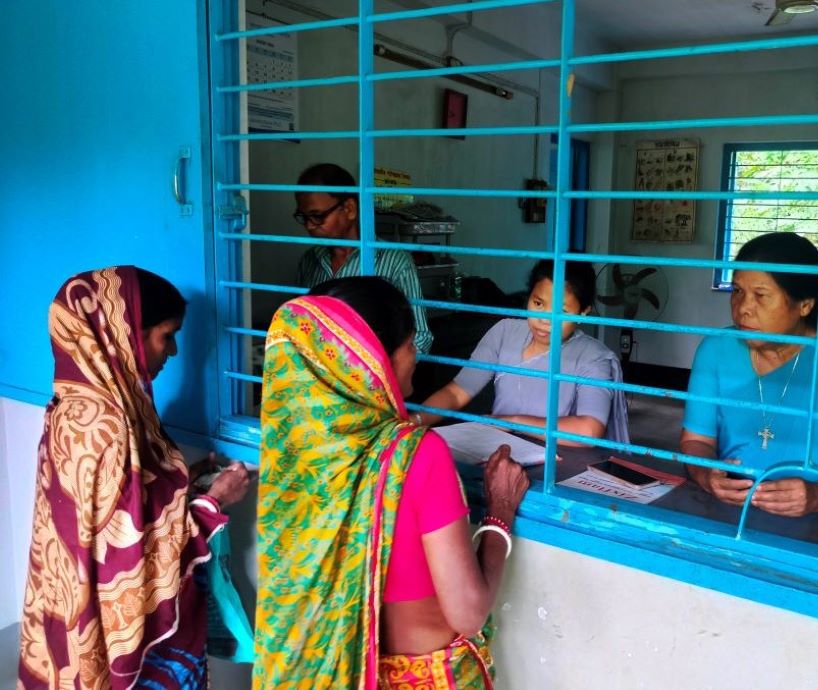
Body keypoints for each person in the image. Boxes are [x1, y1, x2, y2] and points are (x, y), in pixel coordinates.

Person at [254, 276, 529, 689]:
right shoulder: (415, 454)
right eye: (409, 344)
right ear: (371, 360)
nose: (415, 356)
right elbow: (468, 613)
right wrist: (500, 516)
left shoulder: (294, 458)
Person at [18, 266, 251, 689]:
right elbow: (127, 555)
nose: (176, 352)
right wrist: (213, 501)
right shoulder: (107, 427)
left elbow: (117, 503)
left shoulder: (74, 408)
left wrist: (187, 477)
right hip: (126, 635)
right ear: (123, 337)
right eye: (167, 335)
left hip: (76, 614)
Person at [681, 232, 818, 517]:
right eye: (737, 291)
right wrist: (707, 476)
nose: (743, 308)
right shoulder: (715, 351)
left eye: (761, 295)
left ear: (805, 304)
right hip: (728, 512)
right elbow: (697, 441)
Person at [420, 259, 630, 445]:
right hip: (497, 447)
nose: (545, 320)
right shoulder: (504, 332)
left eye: (561, 312)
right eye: (538, 303)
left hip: (557, 459)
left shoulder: (592, 356)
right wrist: (413, 421)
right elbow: (457, 392)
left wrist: (513, 422)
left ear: (583, 312)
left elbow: (589, 429)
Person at [293, 162, 433, 353]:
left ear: (349, 209)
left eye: (317, 216)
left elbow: (421, 337)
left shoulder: (394, 262)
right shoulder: (309, 261)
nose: (309, 226)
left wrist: (375, 374)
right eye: (304, 217)